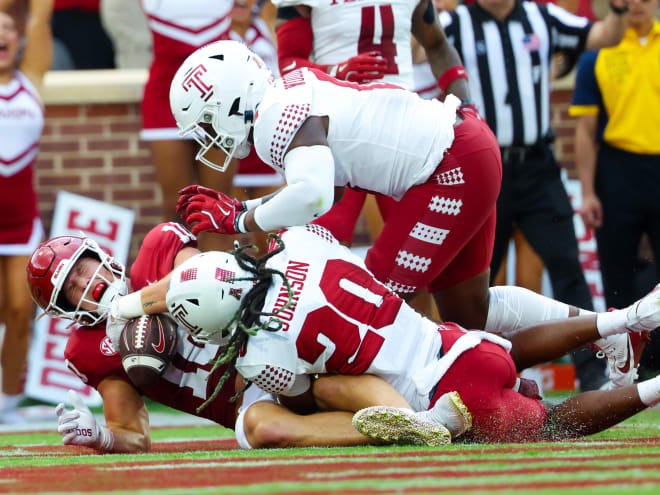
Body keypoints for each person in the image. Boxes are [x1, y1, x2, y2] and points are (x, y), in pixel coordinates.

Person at [152, 224, 660, 443]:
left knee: (551, 427)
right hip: (455, 342)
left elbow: (308, 401)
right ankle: (622, 318)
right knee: (511, 350)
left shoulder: (258, 356)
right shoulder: (296, 243)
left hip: (446, 396)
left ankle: (655, 388)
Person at [26, 223, 468, 451]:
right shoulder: (87, 350)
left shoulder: (158, 248)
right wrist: (101, 437)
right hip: (245, 401)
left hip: (265, 345)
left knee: (331, 384)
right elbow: (135, 434)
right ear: (61, 308)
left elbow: (210, 277)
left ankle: (419, 407)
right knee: (262, 428)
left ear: (98, 254)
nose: (85, 284)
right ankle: (409, 427)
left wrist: (137, 305)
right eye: (69, 288)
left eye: (81, 268)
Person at [438, 0, 631, 391]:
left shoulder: (542, 17)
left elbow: (603, 36)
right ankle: (469, 372)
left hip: (538, 168)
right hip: (484, 166)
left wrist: (620, 8)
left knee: (567, 268)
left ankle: (592, 373)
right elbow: (416, 47)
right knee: (476, 277)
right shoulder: (453, 23)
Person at [140, 0, 279, 252]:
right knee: (176, 206)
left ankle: (217, 282)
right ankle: (170, 285)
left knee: (217, 207)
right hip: (165, 96)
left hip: (219, 99)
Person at [570, 0, 660, 314]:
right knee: (616, 269)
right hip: (617, 168)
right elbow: (585, 129)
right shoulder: (599, 52)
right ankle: (622, 356)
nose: (636, 3)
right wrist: (587, 192)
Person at [0, 0, 52, 424]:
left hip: (21, 222)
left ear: (18, 40)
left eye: (7, 29)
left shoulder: (31, 79)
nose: (1, 35)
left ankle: (7, 400)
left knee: (20, 310)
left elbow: (41, 14)